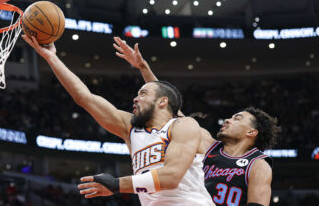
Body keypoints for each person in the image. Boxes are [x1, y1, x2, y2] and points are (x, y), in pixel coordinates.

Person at [78, 37, 280, 206]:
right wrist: (143, 67)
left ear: (251, 132)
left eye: (237, 118)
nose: (228, 119)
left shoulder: (257, 164)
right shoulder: (208, 145)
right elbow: (169, 110)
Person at [21, 35, 215, 206]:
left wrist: (116, 184)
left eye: (143, 93)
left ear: (163, 102)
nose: (135, 98)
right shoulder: (131, 129)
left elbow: (171, 177)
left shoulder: (184, 125)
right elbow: (84, 97)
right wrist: (51, 57)